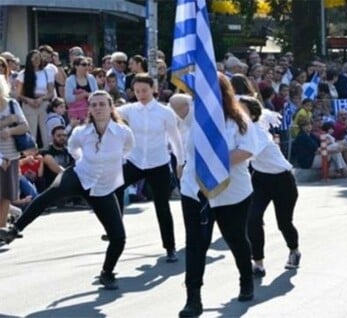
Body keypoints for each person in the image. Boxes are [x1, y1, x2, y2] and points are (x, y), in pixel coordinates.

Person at [0, 90, 134, 290]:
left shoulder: (123, 133)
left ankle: (107, 272)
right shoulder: (82, 131)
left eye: (102, 104)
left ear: (110, 107)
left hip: (103, 187)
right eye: (94, 105)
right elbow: (73, 149)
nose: (98, 108)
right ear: (89, 108)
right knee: (52, 192)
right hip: (80, 175)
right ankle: (15, 229)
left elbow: (127, 150)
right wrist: (86, 162)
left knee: (119, 237)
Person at [178, 73, 259, 317]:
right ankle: (193, 299)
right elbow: (175, 101)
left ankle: (246, 280)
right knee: (196, 245)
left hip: (231, 192)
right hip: (196, 190)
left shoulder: (238, 118)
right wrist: (194, 81)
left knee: (235, 238)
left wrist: (214, 162)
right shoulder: (194, 113)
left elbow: (246, 150)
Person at [114, 73, 184, 262]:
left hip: (158, 163)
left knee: (162, 206)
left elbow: (175, 139)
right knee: (115, 187)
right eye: (137, 91)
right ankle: (115, 227)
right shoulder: (130, 110)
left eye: (144, 90)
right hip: (135, 160)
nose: (141, 94)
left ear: (153, 89)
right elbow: (111, 113)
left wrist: (180, 161)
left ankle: (170, 247)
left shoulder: (165, 112)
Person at [239, 95, 301, 278]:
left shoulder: (258, 133)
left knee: (284, 222)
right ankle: (258, 263)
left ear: (252, 114)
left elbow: (246, 154)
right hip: (260, 180)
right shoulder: (242, 129)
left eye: (242, 110)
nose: (238, 113)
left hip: (282, 180)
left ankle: (294, 250)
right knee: (253, 218)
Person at [0, 76, 30, 230]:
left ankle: (2, 227)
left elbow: (25, 126)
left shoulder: (12, 104)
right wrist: (5, 122)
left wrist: (10, 130)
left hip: (11, 155)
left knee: (6, 194)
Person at [16, 50, 55, 148]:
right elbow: (18, 93)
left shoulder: (46, 72)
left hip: (43, 103)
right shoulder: (23, 74)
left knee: (46, 133)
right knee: (31, 132)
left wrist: (41, 99)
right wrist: (29, 100)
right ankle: (31, 156)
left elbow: (50, 92)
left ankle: (47, 153)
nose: (37, 60)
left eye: (38, 57)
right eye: (34, 58)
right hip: (29, 104)